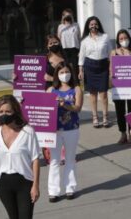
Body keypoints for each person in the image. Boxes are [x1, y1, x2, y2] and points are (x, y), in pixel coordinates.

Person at [47, 64, 82, 202]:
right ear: (57, 74)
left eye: (67, 71)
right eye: (61, 72)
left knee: (70, 158)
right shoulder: (51, 90)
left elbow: (78, 108)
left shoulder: (76, 89)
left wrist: (65, 105)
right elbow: (41, 106)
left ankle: (70, 188)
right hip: (54, 130)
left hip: (71, 128)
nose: (65, 74)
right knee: (54, 160)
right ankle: (53, 191)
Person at [78, 16, 113, 128]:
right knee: (92, 94)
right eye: (91, 24)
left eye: (95, 24)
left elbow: (110, 54)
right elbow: (81, 57)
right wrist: (80, 71)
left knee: (103, 94)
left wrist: (111, 67)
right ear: (88, 26)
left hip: (103, 66)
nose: (93, 26)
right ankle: (95, 117)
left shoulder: (105, 37)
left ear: (98, 25)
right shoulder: (84, 41)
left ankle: (105, 117)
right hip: (90, 67)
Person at [111, 29, 131, 144]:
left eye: (125, 38)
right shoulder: (114, 52)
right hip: (119, 85)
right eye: (121, 39)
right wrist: (111, 79)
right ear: (118, 40)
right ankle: (123, 133)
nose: (124, 40)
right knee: (120, 109)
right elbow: (111, 68)